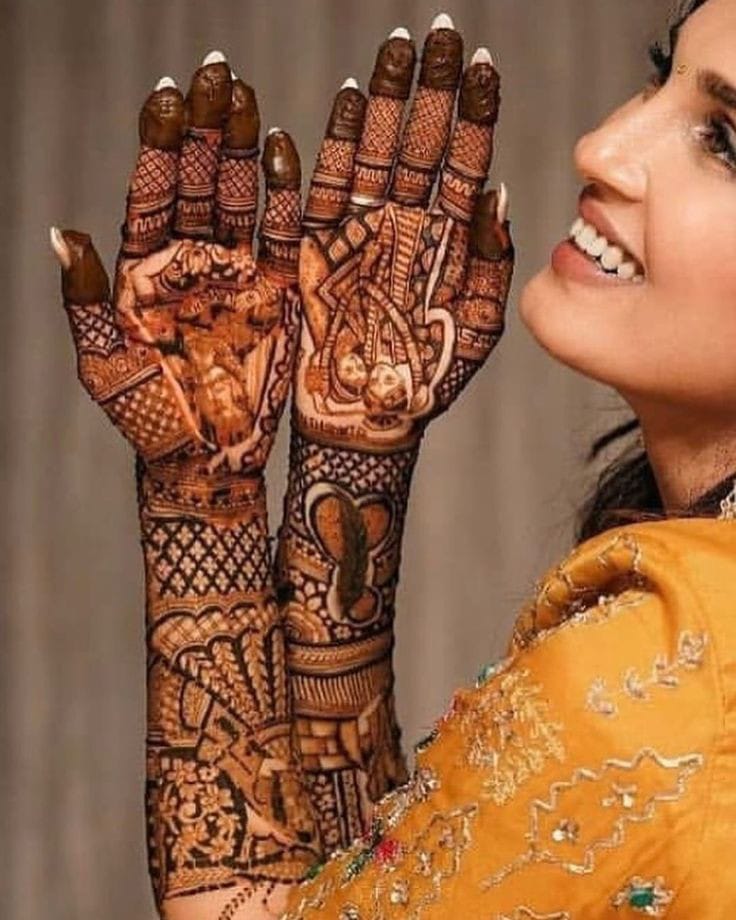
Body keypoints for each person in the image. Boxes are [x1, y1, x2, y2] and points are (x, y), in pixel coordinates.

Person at [49, 0, 736, 916]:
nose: (601, 147)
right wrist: (352, 452)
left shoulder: (670, 668)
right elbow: (369, 893)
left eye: (726, 141)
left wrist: (201, 503)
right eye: (660, 74)